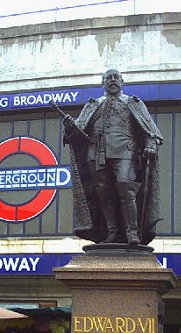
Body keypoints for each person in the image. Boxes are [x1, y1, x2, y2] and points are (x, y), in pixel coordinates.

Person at [62, 68, 163, 246]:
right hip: (96, 154)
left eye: (116, 77)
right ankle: (111, 233)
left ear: (122, 81)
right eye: (109, 78)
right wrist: (70, 127)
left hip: (126, 151)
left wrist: (150, 145)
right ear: (103, 83)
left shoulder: (133, 103)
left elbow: (150, 130)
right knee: (103, 193)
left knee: (125, 185)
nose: (113, 80)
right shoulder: (93, 105)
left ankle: (132, 232)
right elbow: (77, 134)